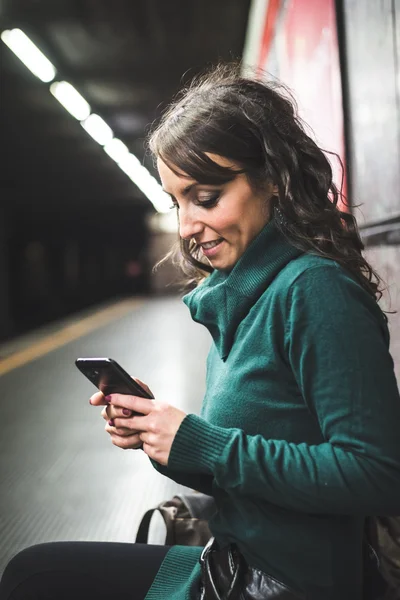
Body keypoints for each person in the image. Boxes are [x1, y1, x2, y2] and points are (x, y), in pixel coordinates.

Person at [1, 62, 400, 600]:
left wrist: (204, 444)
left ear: (275, 181)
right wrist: (163, 438)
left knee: (37, 577)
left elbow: (377, 473)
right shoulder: (243, 299)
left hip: (280, 583)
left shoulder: (314, 291)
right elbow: (248, 476)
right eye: (177, 202)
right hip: (235, 563)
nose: (187, 226)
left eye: (205, 198)